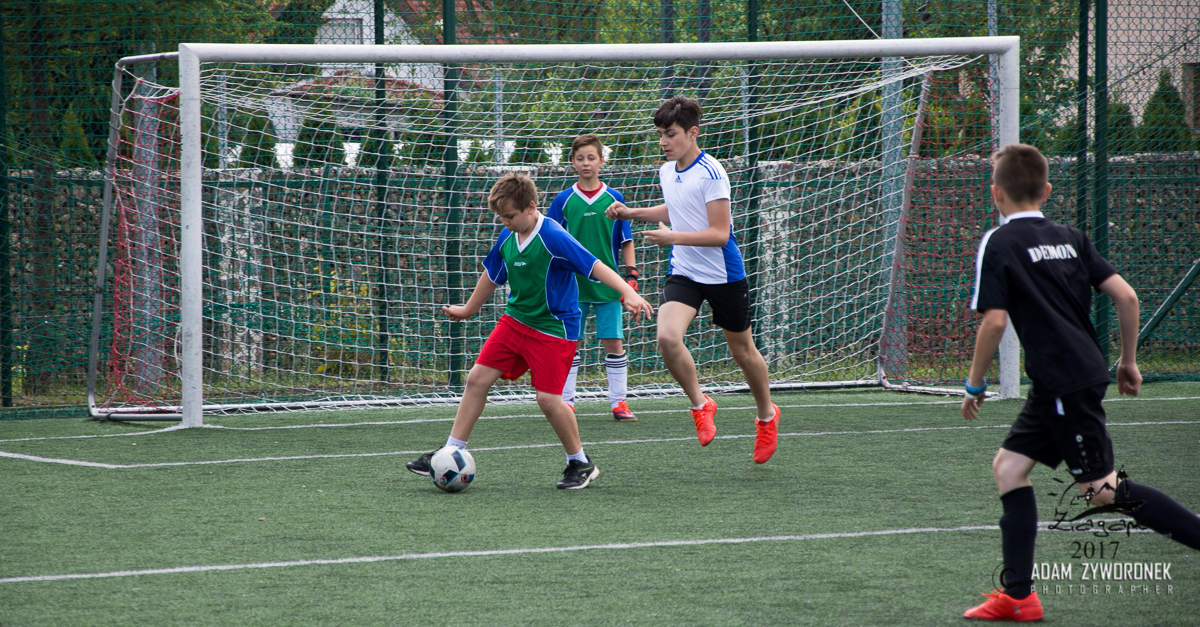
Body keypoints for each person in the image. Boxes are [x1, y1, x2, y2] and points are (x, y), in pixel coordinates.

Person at [960, 143, 1200, 621]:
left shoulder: (999, 241)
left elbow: (995, 321)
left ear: (995, 193)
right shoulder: (1070, 237)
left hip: (1064, 382)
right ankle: (1019, 597)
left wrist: (974, 382)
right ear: (1047, 190)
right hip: (1066, 378)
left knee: (1103, 491)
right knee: (1009, 468)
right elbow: (1126, 297)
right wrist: (1128, 360)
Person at [406, 173, 653, 489]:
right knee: (476, 379)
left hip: (554, 328)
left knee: (548, 399)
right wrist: (468, 309)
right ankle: (452, 449)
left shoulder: (553, 235)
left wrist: (628, 292)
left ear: (531, 207)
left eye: (510, 215)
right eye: (501, 217)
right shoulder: (507, 235)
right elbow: (493, 275)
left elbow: (594, 265)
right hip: (515, 321)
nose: (505, 222)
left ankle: (580, 462)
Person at [606, 96, 779, 464]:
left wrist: (672, 238)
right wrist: (631, 213)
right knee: (667, 338)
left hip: (723, 275)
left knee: (743, 352)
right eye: (660, 134)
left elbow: (719, 233)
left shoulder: (712, 173)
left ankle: (766, 416)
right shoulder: (667, 171)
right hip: (685, 272)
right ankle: (701, 405)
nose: (664, 141)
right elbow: (677, 208)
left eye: (671, 134)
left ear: (692, 133)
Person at [547, 133, 640, 422]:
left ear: (601, 161)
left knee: (613, 341)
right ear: (572, 162)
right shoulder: (563, 200)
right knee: (569, 343)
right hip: (571, 285)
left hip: (609, 285)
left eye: (591, 157)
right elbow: (548, 240)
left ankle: (619, 402)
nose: (586, 163)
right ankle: (566, 402)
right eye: (580, 158)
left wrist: (631, 277)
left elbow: (626, 240)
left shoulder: (614, 199)